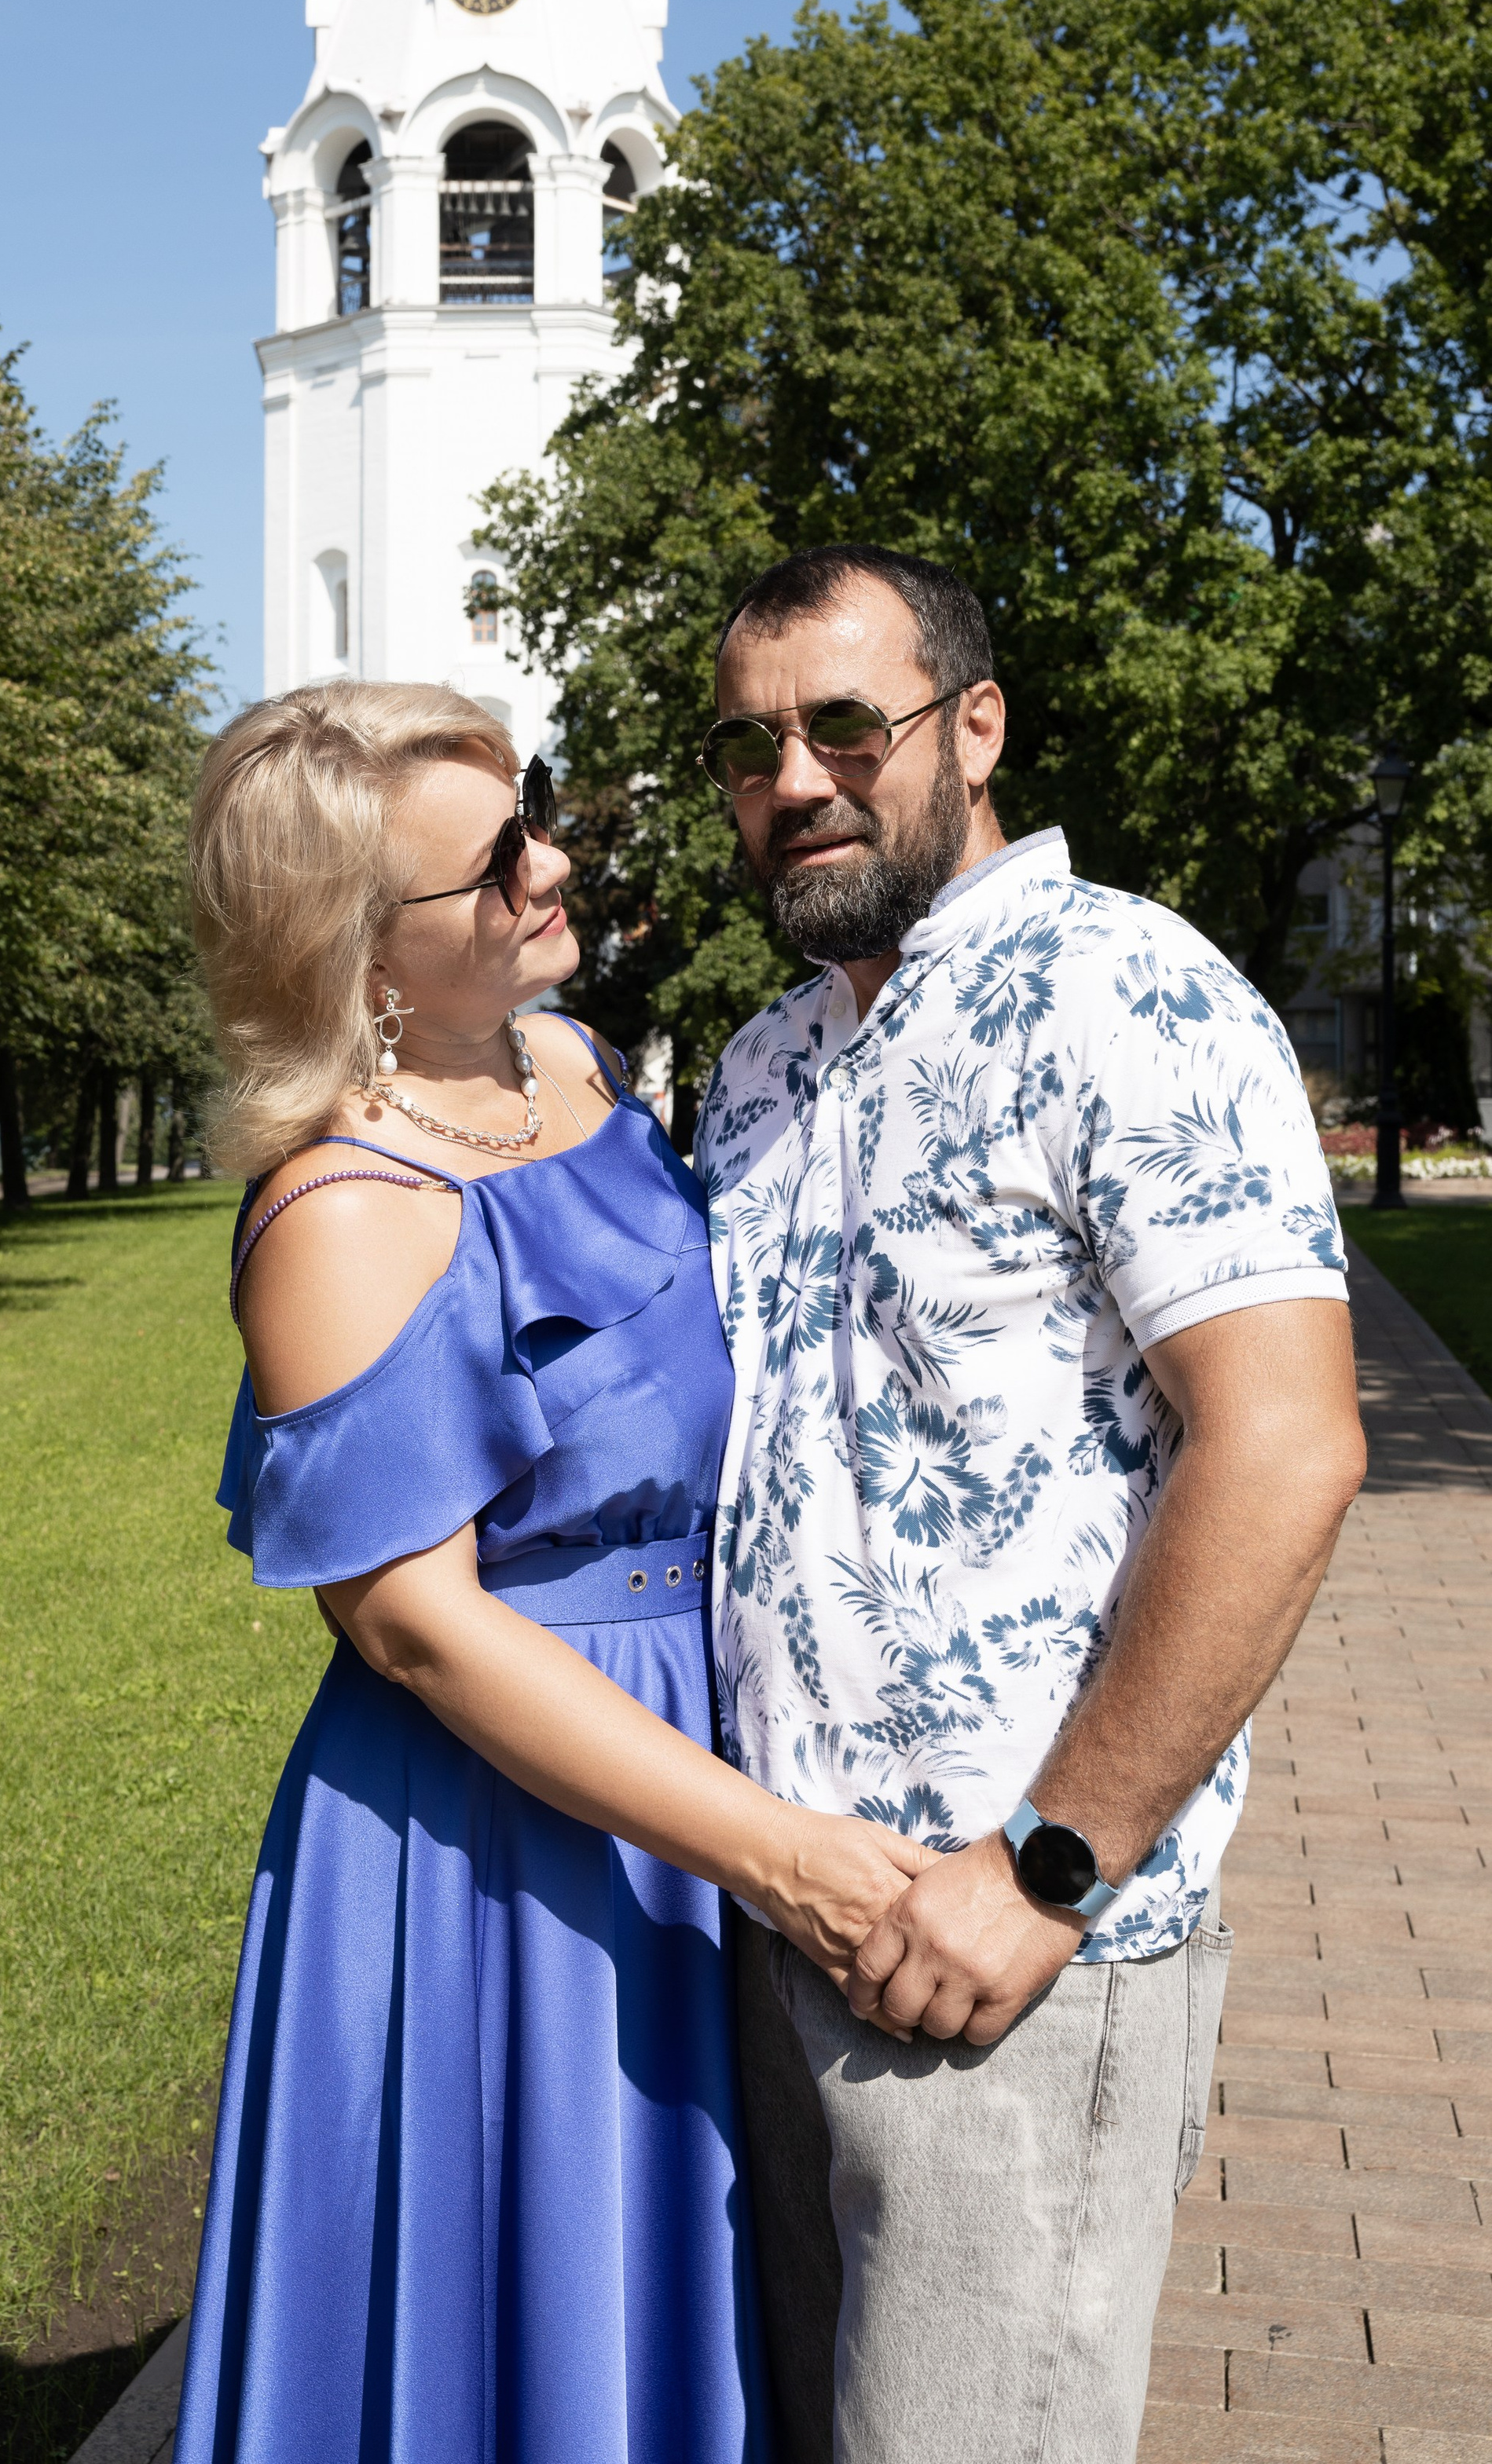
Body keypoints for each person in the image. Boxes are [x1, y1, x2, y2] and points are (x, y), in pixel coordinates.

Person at [174, 682, 929, 2464]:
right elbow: (419, 1627)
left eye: (534, 819)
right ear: (357, 956)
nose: (553, 864)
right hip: (495, 1841)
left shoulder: (575, 1067)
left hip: (679, 1772)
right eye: (494, 861)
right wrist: (779, 1852)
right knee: (508, 2332)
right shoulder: (342, 1211)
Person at [692, 545, 1367, 2464]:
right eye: (748, 746)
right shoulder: (758, 1068)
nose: (795, 779)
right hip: (770, 1915)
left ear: (969, 725)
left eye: (842, 723)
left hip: (1005, 1953)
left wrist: (1046, 1866)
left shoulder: (1125, 994)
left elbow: (1284, 1443)